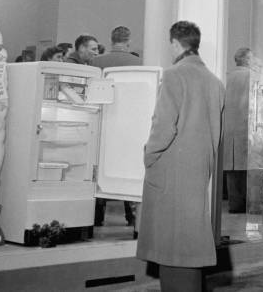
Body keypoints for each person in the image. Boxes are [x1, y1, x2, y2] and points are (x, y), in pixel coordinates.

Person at [136, 21, 224, 292]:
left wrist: (149, 156)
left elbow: (163, 126)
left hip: (171, 170)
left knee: (171, 246)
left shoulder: (174, 75)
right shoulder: (215, 82)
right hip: (198, 171)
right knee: (189, 244)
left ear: (175, 43)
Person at [91, 26, 141, 228]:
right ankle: (132, 216)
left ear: (111, 41)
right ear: (128, 42)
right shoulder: (138, 62)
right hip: (128, 125)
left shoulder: (96, 62)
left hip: (102, 123)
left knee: (99, 170)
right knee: (128, 171)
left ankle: (95, 216)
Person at [223, 47, 252, 213]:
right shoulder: (251, 76)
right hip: (244, 125)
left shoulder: (228, 76)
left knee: (231, 169)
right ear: (247, 60)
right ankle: (247, 205)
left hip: (229, 126)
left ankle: (234, 205)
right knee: (246, 169)